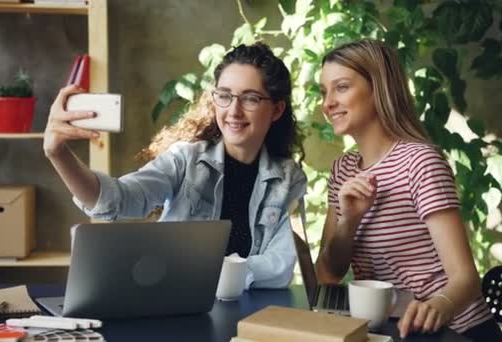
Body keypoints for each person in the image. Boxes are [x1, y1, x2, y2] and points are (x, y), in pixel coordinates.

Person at [43, 42, 307, 289]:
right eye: (224, 96)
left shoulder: (288, 179)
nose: (233, 111)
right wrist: (57, 154)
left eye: (250, 98)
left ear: (276, 110)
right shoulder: (185, 160)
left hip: (249, 314)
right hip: (176, 302)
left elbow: (280, 266)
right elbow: (118, 199)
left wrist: (205, 269)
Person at [314, 39, 502, 341]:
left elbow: (466, 279)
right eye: (324, 92)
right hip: (394, 329)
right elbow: (327, 275)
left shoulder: (420, 162)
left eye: (342, 87)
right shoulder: (343, 170)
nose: (328, 103)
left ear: (379, 88)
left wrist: (436, 305)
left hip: (455, 332)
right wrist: (348, 222)